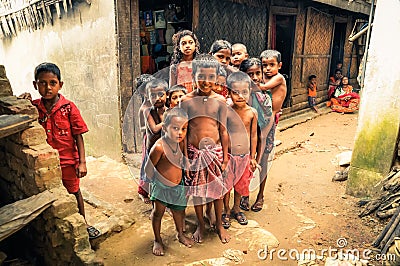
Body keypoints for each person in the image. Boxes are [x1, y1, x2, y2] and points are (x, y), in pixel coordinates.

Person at [27, 62, 100, 239]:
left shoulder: (69, 108)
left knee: (74, 191)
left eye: (52, 83)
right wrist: (24, 102)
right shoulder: (35, 107)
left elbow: (78, 137)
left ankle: (84, 223)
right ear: (35, 85)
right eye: (42, 83)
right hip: (46, 163)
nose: (47, 87)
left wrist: (82, 162)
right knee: (50, 193)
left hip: (68, 160)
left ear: (60, 84)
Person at [180, 54, 230, 244]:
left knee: (217, 192)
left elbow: (223, 131)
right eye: (201, 76)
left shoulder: (220, 101)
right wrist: (185, 158)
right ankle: (201, 223)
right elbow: (183, 132)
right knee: (198, 193)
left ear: (217, 77)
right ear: (193, 75)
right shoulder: (186, 100)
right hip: (194, 153)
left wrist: (225, 158)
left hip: (215, 153)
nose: (206, 81)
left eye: (211, 77)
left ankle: (218, 226)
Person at [144, 108, 193, 256]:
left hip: (178, 185)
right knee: (158, 213)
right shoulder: (159, 148)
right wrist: (156, 185)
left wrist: (187, 165)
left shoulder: (181, 142)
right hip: (161, 187)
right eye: (175, 128)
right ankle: (157, 239)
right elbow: (148, 169)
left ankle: (180, 234)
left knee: (178, 211)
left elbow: (183, 155)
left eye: (184, 129)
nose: (180, 133)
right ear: (165, 128)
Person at [222, 71, 258, 229]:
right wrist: (223, 157)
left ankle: (237, 208)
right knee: (226, 185)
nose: (240, 96)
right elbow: (222, 133)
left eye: (244, 92)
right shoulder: (227, 111)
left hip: (244, 156)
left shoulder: (252, 113)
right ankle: (225, 211)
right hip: (229, 156)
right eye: (235, 92)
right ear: (229, 92)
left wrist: (253, 157)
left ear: (250, 91)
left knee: (240, 184)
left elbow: (254, 135)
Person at [238, 58, 274, 212]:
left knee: (263, 163)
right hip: (247, 135)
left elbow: (271, 116)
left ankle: (260, 196)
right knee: (246, 165)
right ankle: (244, 194)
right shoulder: (241, 95)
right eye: (249, 74)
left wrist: (263, 137)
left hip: (265, 132)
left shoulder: (265, 93)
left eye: (257, 73)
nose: (254, 77)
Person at [139, 79, 168, 204]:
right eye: (153, 95)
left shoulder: (169, 111)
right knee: (151, 177)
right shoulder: (147, 111)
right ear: (147, 96)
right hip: (152, 151)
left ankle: (166, 202)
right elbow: (155, 129)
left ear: (167, 94)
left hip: (165, 152)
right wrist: (168, 120)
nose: (157, 98)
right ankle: (153, 202)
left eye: (161, 94)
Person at [135, 74, 156, 204]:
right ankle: (142, 191)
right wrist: (151, 127)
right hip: (148, 139)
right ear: (143, 91)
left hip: (156, 137)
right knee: (147, 165)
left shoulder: (156, 104)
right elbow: (142, 128)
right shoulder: (144, 108)